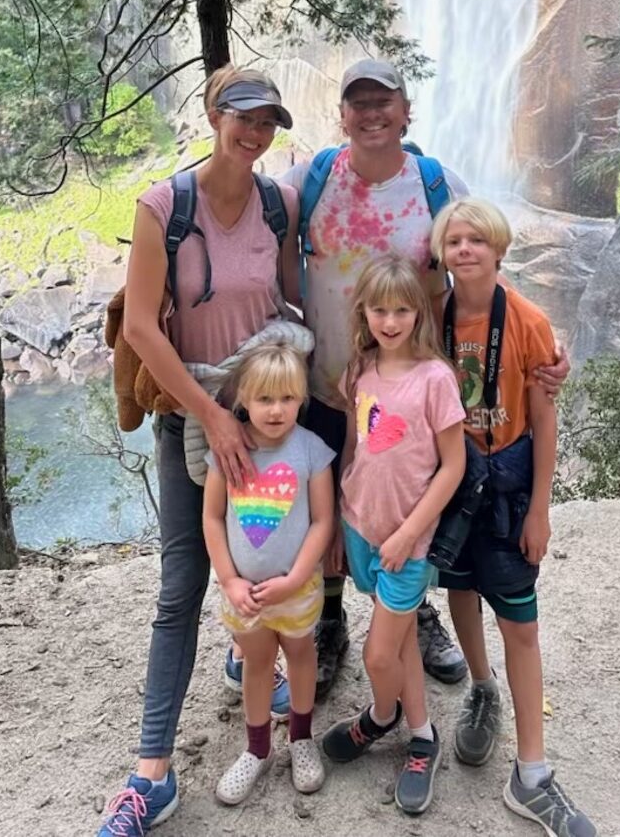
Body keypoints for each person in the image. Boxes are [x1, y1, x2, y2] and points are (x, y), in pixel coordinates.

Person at [96, 66, 301, 837]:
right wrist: (210, 416)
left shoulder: (277, 202)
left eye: (268, 121)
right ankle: (152, 774)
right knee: (182, 583)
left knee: (262, 555)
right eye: (243, 117)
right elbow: (143, 325)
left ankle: (243, 656)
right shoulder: (164, 206)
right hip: (192, 417)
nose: (255, 132)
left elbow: (291, 299)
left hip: (266, 419)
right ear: (214, 115)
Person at [280, 59, 471, 694]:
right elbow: (244, 219)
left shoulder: (437, 185)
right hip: (326, 381)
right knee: (326, 510)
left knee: (406, 499)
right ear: (342, 115)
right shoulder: (312, 179)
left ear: (406, 110)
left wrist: (530, 341)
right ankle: (330, 620)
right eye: (357, 102)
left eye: (382, 101)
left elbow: (478, 269)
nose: (370, 113)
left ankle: (412, 611)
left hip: (407, 390)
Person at [429, 197, 596, 837]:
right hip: (451, 486)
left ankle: (532, 774)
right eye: (455, 240)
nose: (466, 250)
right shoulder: (430, 319)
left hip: (505, 491)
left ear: (499, 250)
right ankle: (480, 686)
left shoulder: (526, 321)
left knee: (520, 620)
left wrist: (541, 513)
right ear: (442, 254)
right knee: (462, 594)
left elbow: (544, 420)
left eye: (477, 240)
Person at [320, 255, 466, 816]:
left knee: (380, 655)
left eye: (401, 309)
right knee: (401, 642)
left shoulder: (435, 378)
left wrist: (409, 533)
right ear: (363, 312)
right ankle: (423, 736)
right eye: (379, 309)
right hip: (360, 524)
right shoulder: (358, 371)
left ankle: (383, 717)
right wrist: (336, 517)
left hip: (408, 539)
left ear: (418, 314)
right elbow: (354, 448)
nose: (389, 320)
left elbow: (451, 467)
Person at [203, 342, 335, 806]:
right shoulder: (228, 451)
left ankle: (301, 739)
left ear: (302, 398)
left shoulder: (312, 450)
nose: (276, 410)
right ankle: (257, 749)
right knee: (257, 665)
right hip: (246, 593)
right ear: (243, 400)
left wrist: (298, 575)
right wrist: (229, 579)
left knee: (301, 657)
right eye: (264, 399)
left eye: (287, 398)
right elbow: (213, 518)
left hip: (297, 588)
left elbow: (322, 520)